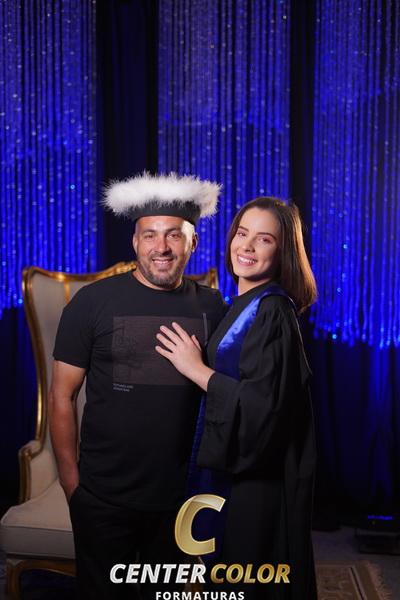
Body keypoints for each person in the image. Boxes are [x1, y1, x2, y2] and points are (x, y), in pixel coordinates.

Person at [49, 172, 226, 600]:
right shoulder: (92, 303)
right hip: (104, 497)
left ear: (193, 243)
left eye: (174, 235)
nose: (161, 247)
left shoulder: (214, 307)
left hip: (181, 499)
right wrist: (73, 486)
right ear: (135, 242)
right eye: (150, 235)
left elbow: (227, 395)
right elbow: (61, 395)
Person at [155, 196, 318, 599]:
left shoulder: (273, 312)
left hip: (253, 485)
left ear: (283, 252)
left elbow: (264, 410)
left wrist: (195, 368)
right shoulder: (238, 306)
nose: (247, 246)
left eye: (264, 239)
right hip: (229, 473)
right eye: (242, 234)